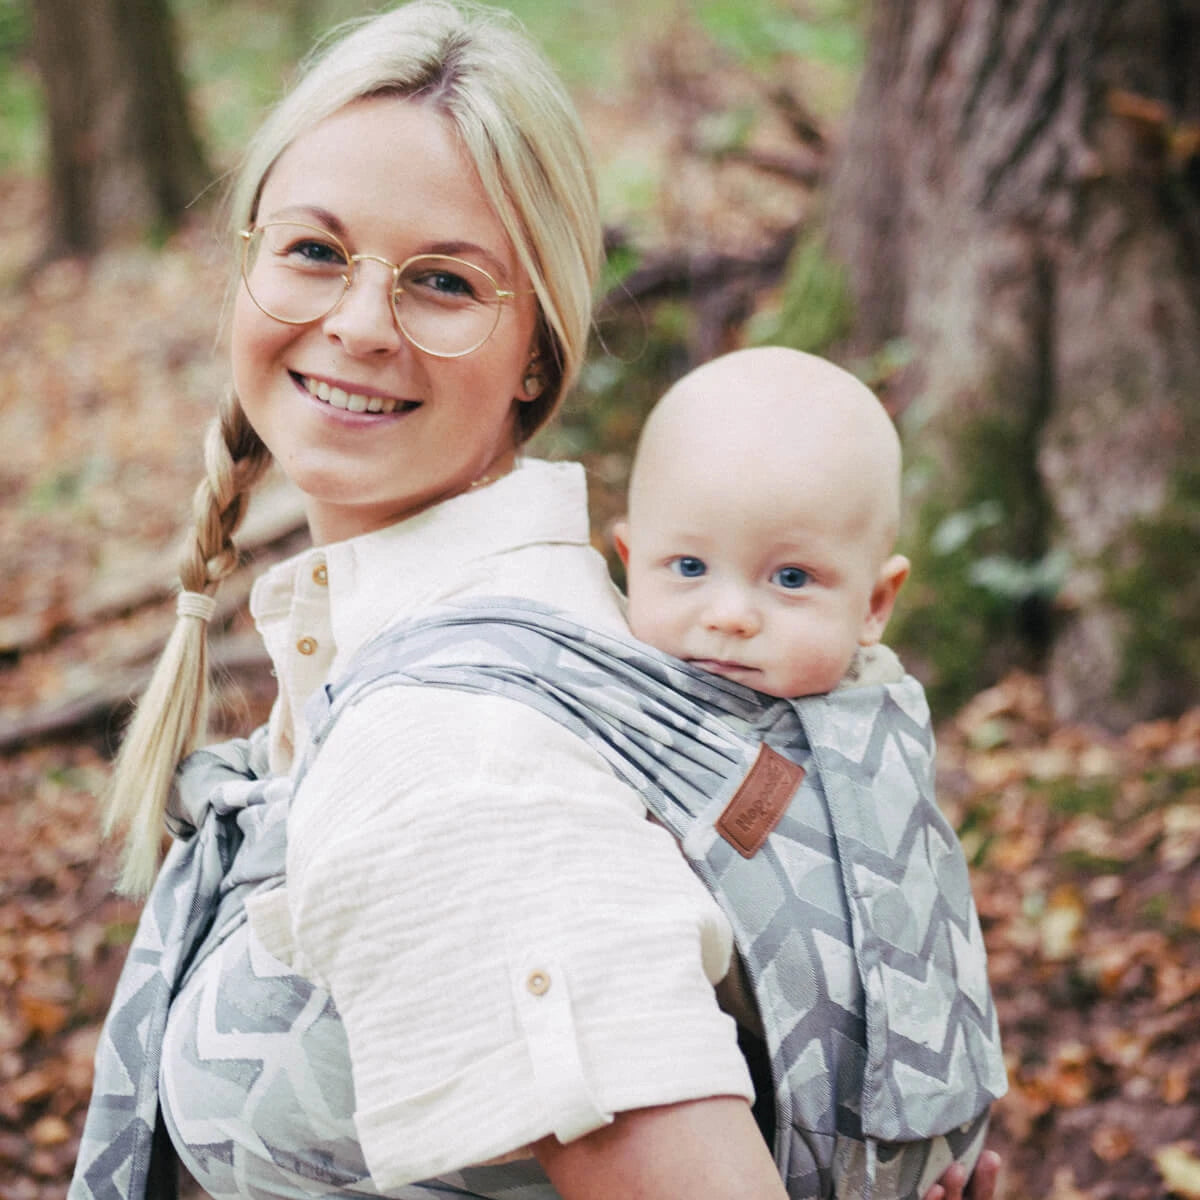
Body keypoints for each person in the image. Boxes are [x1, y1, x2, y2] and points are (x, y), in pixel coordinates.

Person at [70, 3, 999, 1199]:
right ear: (244, 262)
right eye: (312, 250)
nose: (356, 324)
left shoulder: (456, 759)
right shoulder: (510, 630)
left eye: (444, 282)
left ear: (538, 356)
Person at [613, 345, 911, 704]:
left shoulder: (882, 739)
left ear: (873, 605)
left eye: (792, 578)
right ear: (631, 565)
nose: (729, 617)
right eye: (690, 567)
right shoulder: (584, 694)